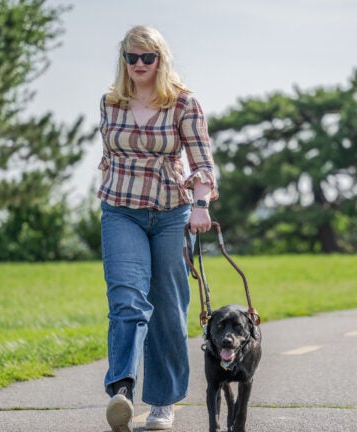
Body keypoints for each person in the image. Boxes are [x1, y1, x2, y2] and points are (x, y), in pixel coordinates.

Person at [97, 25, 218, 432]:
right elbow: (110, 157)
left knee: (167, 306)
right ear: (124, 60)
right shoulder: (111, 102)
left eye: (147, 57)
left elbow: (202, 163)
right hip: (121, 210)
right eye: (132, 58)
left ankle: (163, 403)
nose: (139, 65)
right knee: (128, 299)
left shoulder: (184, 103)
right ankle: (123, 392)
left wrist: (200, 204)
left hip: (170, 213)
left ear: (160, 59)